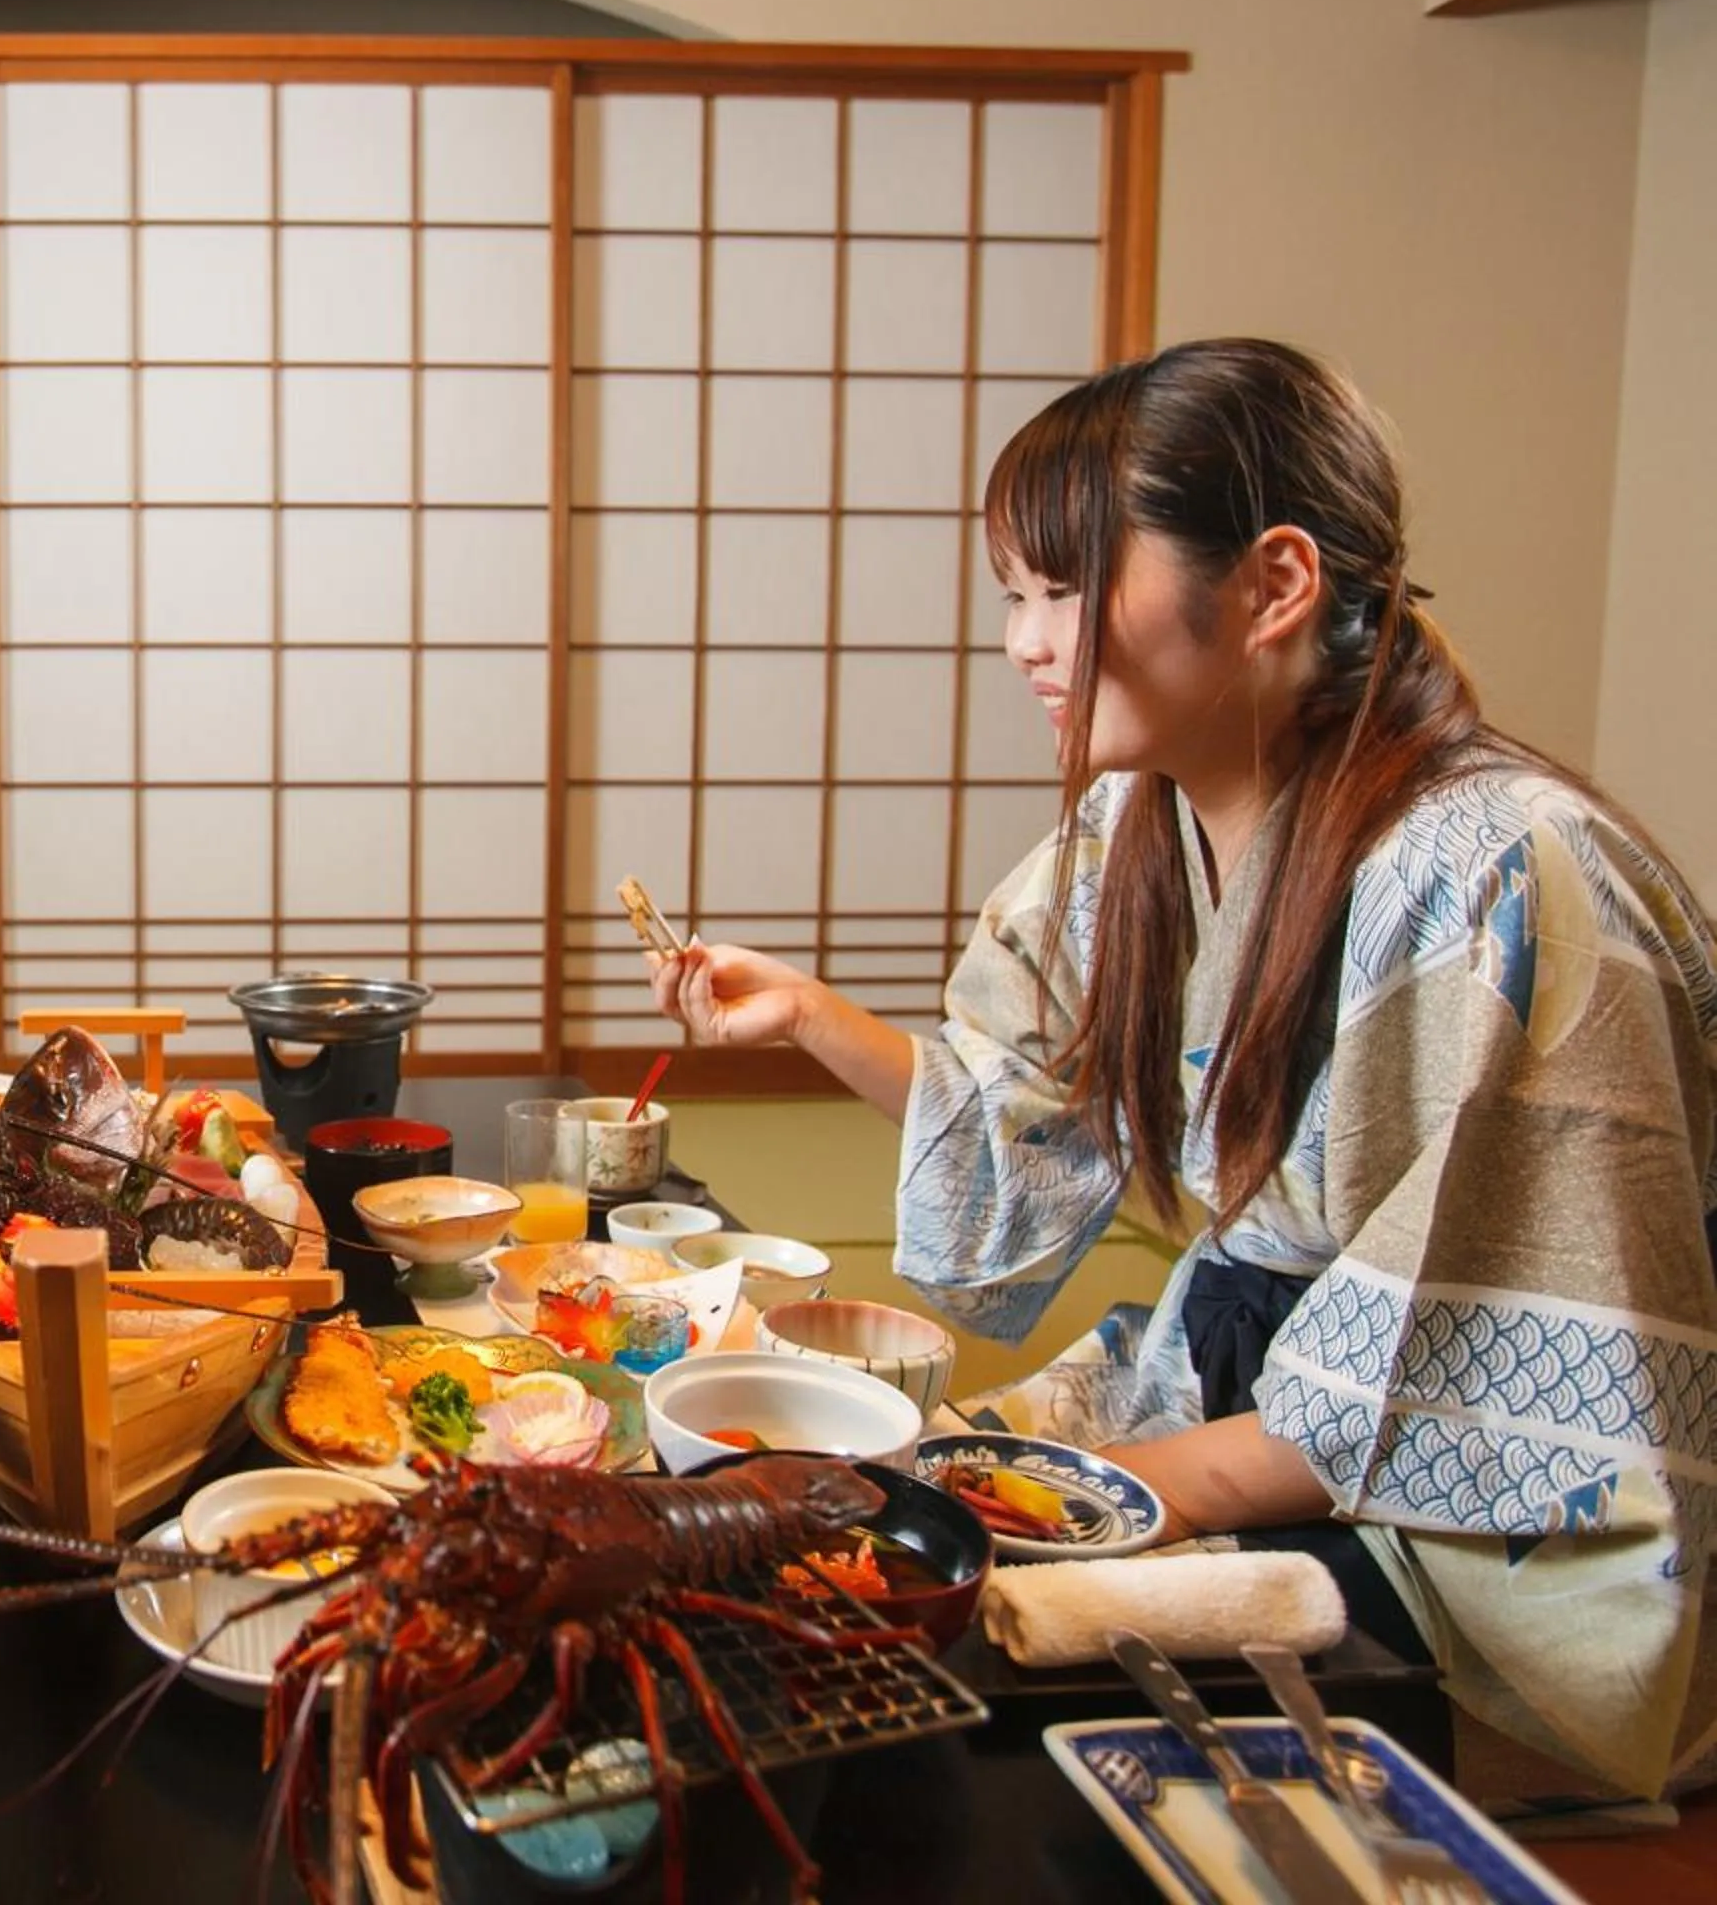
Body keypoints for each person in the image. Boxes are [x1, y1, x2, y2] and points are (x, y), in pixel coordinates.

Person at [651, 339, 1717, 1808]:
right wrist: (816, 1019)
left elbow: (1478, 1367)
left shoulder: (1496, 877)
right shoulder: (1133, 833)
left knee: (966, 1664)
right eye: (1014, 596)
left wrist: (1105, 1496)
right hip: (1245, 1396)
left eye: (1064, 589)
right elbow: (1027, 1120)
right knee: (811, 1538)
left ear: (1276, 585)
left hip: (1465, 1521)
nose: (1026, 643)